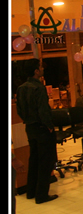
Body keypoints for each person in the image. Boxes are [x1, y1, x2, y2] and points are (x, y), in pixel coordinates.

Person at [16, 58, 58, 204]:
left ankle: (31, 191)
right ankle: (42, 195)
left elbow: (19, 110)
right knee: (46, 161)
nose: (42, 69)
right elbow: (43, 110)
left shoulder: (21, 88)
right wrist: (49, 126)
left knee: (33, 159)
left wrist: (28, 120)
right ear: (36, 71)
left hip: (30, 127)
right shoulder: (39, 88)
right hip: (42, 128)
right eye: (40, 67)